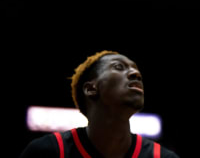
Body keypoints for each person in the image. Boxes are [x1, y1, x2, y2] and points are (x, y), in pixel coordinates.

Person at [20, 50, 180, 158]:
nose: (136, 74)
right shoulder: (47, 152)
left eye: (136, 71)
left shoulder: (162, 157)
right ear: (91, 89)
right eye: (119, 67)